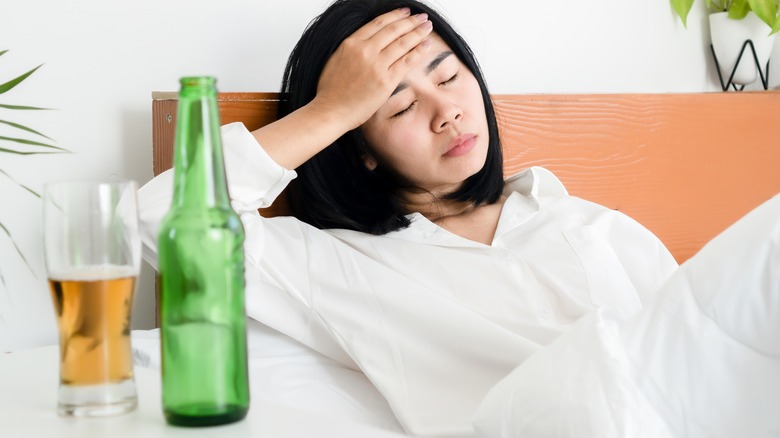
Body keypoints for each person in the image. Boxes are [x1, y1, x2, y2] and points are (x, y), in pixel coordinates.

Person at [138, 1, 780, 437]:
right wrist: (333, 109)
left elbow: (704, 348)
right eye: (396, 108)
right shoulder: (334, 262)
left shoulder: (590, 225)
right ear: (358, 151)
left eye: (449, 75)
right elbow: (164, 216)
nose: (446, 111)